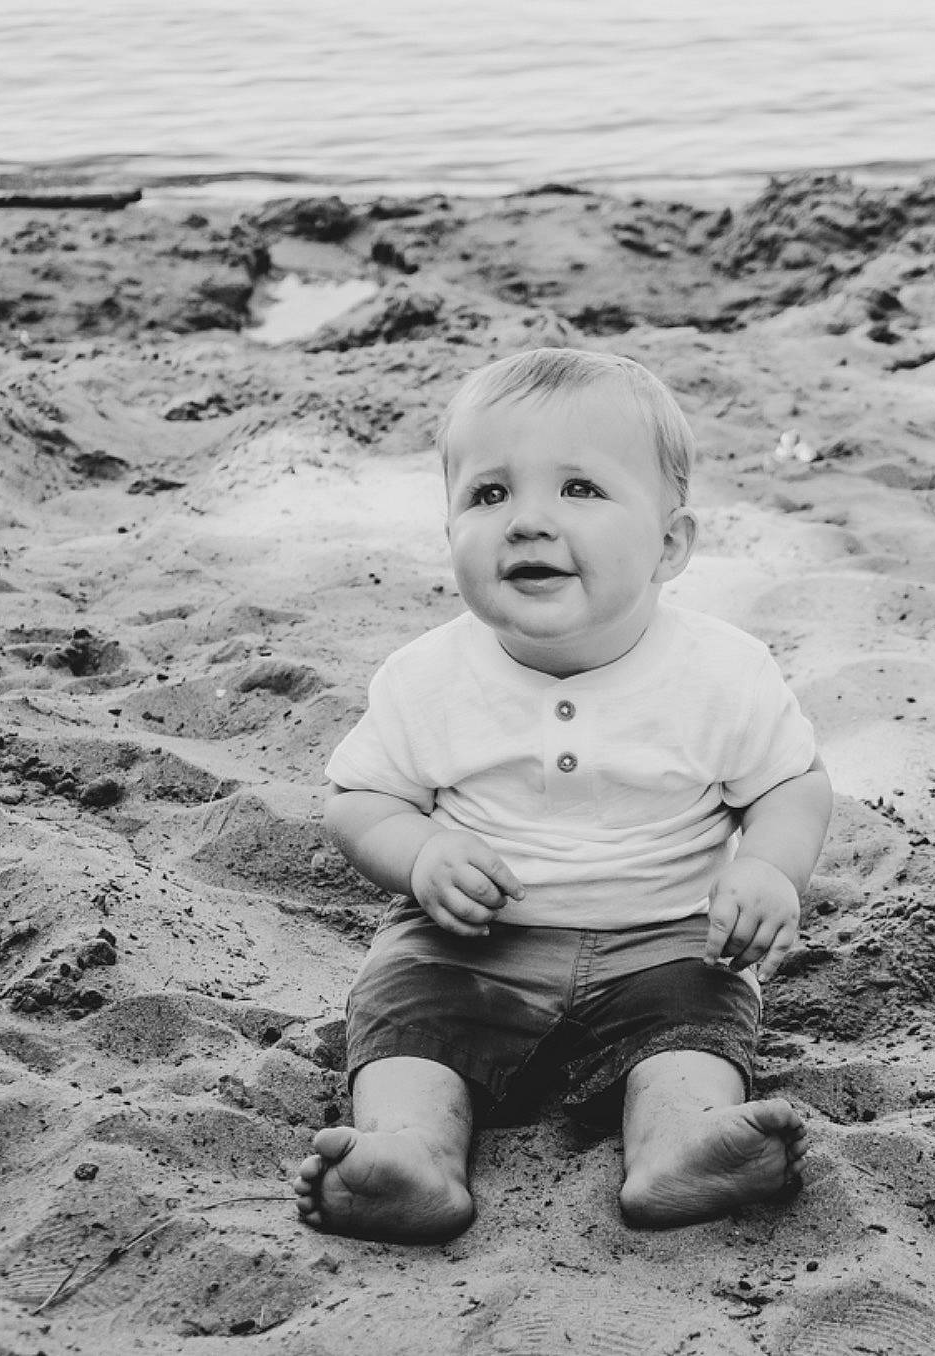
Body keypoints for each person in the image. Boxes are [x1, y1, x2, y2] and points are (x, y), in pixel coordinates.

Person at [294, 347, 833, 1242]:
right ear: (450, 534)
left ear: (670, 544)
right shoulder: (427, 677)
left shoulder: (721, 673)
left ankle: (679, 1149)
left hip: (664, 942)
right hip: (471, 948)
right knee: (405, 1014)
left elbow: (790, 782)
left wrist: (771, 870)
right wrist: (421, 853)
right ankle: (412, 1155)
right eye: (489, 495)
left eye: (579, 489)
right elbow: (358, 799)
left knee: (695, 1034)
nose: (528, 523)